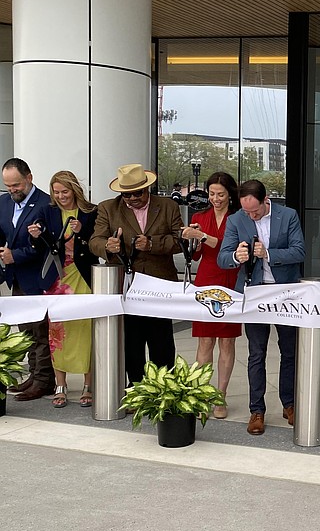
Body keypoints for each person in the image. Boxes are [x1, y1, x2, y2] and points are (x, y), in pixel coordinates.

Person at [218, 180, 305, 436]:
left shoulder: (288, 215)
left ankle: (289, 404)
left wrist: (268, 254)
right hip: (254, 292)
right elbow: (223, 257)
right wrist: (237, 256)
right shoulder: (236, 220)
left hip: (284, 293)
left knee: (289, 351)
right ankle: (257, 410)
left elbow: (299, 251)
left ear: (266, 199)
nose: (251, 216)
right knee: (256, 353)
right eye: (247, 212)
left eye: (255, 211)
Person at [90, 163, 183, 385]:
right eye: (126, 195)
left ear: (147, 188)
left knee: (161, 341)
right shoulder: (107, 208)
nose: (132, 198)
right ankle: (136, 388)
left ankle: (164, 388)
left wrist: (152, 244)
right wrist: (108, 246)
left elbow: (181, 241)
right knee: (131, 340)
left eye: (136, 193)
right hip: (125, 285)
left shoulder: (168, 206)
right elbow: (95, 241)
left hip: (160, 285)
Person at [26, 171, 100, 408]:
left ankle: (89, 385)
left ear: (74, 190)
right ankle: (61, 385)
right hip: (56, 279)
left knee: (86, 331)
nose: (60, 197)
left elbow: (96, 246)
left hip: (83, 277)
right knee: (57, 332)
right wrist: (36, 236)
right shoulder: (47, 210)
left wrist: (83, 233)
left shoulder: (91, 211)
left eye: (64, 192)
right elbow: (41, 245)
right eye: (56, 192)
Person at [180, 172, 241, 420]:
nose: (216, 199)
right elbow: (195, 255)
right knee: (204, 340)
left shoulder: (238, 219)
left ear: (230, 195)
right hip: (205, 279)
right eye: (212, 194)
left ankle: (221, 395)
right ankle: (201, 392)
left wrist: (202, 236)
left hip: (230, 279)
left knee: (227, 341)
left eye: (221, 194)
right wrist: (189, 239)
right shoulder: (199, 217)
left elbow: (227, 245)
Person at [0, 157, 56, 401]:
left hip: (38, 278)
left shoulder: (46, 204)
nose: (13, 190)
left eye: (17, 185)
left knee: (40, 331)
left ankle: (45, 380)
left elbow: (47, 246)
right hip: (16, 278)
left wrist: (16, 255)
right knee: (26, 331)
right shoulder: (3, 203)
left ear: (29, 178)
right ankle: (34, 375)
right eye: (8, 185)